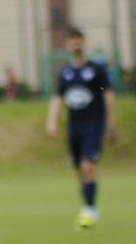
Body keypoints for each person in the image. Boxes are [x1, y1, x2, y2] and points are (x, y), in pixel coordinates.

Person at [45, 29, 115, 229]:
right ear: (67, 45)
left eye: (78, 41)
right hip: (74, 126)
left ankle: (90, 209)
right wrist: (52, 121)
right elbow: (58, 97)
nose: (75, 44)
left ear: (83, 43)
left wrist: (111, 124)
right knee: (78, 169)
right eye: (72, 41)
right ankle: (88, 205)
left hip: (93, 124)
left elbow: (107, 95)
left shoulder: (95, 71)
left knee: (87, 166)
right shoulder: (66, 74)